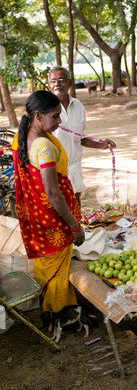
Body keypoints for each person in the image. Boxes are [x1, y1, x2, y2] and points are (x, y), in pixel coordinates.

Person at [12, 90, 85, 317]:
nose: (59, 121)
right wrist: (74, 225)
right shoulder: (42, 146)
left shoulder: (21, 136)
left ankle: (52, 310)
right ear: (38, 116)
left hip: (37, 218)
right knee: (57, 270)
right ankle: (59, 313)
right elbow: (53, 193)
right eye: (55, 116)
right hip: (54, 221)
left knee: (47, 267)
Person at [49, 66, 116, 207]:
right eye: (53, 81)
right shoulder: (45, 108)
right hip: (53, 168)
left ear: (70, 83)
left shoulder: (78, 106)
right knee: (58, 206)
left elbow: (80, 138)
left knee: (76, 202)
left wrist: (101, 144)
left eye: (61, 80)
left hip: (74, 165)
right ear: (49, 85)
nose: (57, 84)